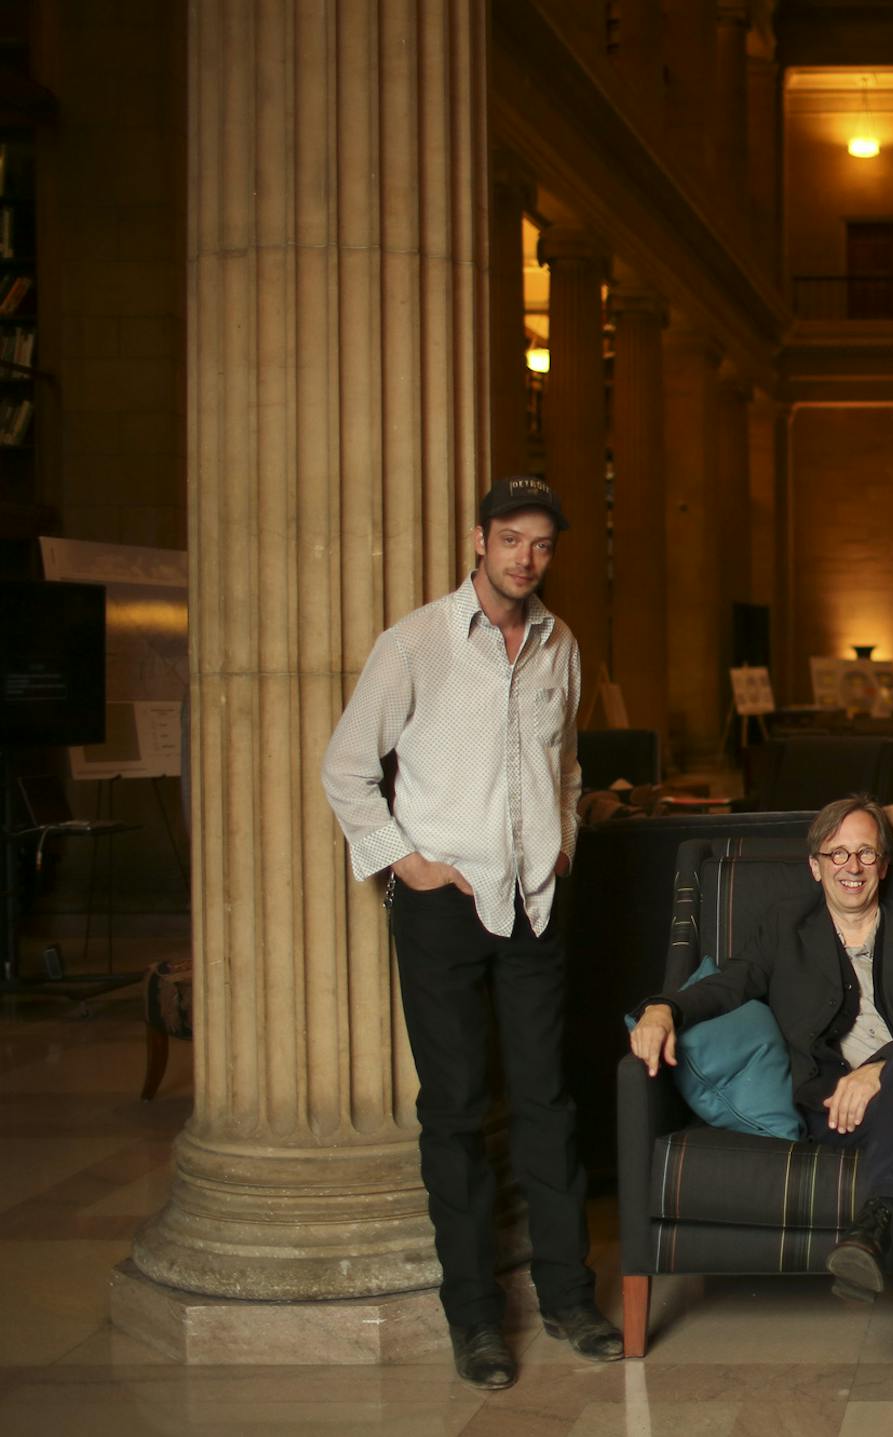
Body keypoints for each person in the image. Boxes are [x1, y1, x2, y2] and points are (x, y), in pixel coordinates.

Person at [320, 475, 621, 1391]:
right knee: (454, 1113)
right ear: (479, 540)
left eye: (542, 544)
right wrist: (404, 863)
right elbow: (345, 768)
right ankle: (476, 1321)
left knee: (547, 1103)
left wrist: (564, 839)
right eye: (512, 540)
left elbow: (565, 760)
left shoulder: (561, 644)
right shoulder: (415, 642)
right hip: (444, 903)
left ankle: (569, 1298)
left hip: (536, 902)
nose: (526, 558)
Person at [627, 795, 893, 1416]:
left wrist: (878, 1070)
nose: (852, 864)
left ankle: (877, 1224)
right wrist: (664, 1007)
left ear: (884, 864)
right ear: (815, 865)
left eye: (865, 852)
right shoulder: (783, 929)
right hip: (838, 1111)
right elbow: (727, 984)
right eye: (837, 852)